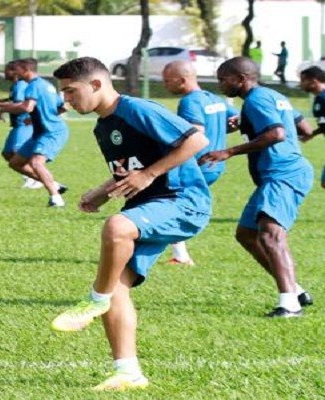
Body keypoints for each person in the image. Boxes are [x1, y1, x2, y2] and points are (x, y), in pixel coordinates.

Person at [51, 57, 212, 391]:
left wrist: (150, 174)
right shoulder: (102, 127)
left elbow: (196, 140)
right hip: (149, 205)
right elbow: (131, 171)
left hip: (182, 201)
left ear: (95, 84)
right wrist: (102, 191)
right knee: (118, 287)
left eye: (70, 91)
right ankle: (128, 372)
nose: (65, 99)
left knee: (117, 228)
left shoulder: (137, 109)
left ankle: (94, 299)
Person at [200, 57, 314, 316]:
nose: (220, 84)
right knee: (247, 234)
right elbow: (301, 126)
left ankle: (289, 305)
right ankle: (295, 289)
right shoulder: (271, 94)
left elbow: (277, 134)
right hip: (278, 173)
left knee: (270, 234)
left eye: (223, 79)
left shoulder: (256, 99)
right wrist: (246, 122)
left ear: (241, 79)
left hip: (283, 173)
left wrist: (229, 151)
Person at [161, 60, 239, 265]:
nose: (165, 85)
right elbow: (236, 120)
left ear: (183, 80)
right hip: (215, 166)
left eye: (168, 81)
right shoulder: (215, 98)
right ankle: (179, 252)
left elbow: (196, 133)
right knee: (173, 202)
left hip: (196, 165)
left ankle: (180, 255)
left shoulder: (190, 102)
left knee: (167, 202)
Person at [0, 58, 68, 207]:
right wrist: (38, 118)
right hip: (40, 132)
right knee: (15, 163)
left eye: (17, 69)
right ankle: (54, 185)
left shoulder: (32, 85)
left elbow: (27, 107)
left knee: (36, 162)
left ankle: (56, 198)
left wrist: (4, 108)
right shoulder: (47, 85)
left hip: (52, 132)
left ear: (26, 70)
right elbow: (62, 107)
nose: (14, 72)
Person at [299, 66, 325, 188]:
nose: (301, 84)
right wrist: (312, 134)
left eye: (303, 80)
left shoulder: (323, 98)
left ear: (314, 81)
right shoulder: (319, 98)